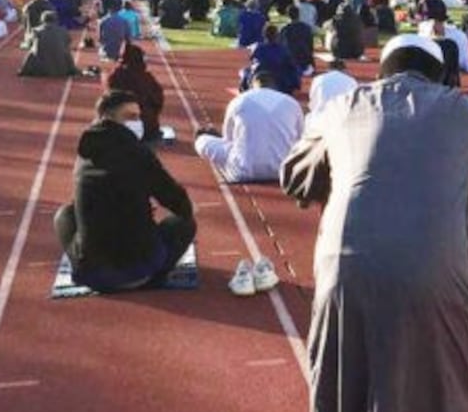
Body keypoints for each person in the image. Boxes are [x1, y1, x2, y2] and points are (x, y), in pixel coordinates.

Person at [280, 34, 468, 412]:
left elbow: (294, 175)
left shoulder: (340, 108)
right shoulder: (464, 111)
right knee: (444, 394)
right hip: (434, 273)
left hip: (345, 270)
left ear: (382, 72)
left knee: (344, 389)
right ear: (441, 76)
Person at [54, 90, 195, 293]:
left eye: (138, 117)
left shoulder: (85, 152)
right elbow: (179, 202)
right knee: (184, 222)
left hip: (92, 275)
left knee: (64, 214)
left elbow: (83, 205)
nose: (138, 122)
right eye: (131, 117)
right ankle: (154, 273)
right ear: (108, 117)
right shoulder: (139, 153)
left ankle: (98, 265)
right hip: (139, 273)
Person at [196, 70, 303, 183]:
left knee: (202, 140)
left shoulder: (238, 101)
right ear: (275, 86)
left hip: (244, 171)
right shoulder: (291, 103)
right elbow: (301, 138)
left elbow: (229, 139)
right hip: (284, 171)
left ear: (251, 85)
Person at [105, 43, 166, 143]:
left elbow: (108, 103)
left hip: (121, 129)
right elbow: (159, 100)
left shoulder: (114, 77)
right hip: (148, 130)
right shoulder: (147, 78)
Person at [241, 25, 300, 94]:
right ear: (277, 36)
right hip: (280, 84)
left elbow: (252, 59)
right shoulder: (283, 49)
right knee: (293, 69)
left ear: (264, 35)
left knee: (246, 70)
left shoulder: (258, 48)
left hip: (259, 81)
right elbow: (292, 66)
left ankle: (245, 88)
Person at [18, 12, 80, 78]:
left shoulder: (36, 31)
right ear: (56, 20)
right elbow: (68, 42)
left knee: (32, 51)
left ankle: (23, 70)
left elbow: (28, 45)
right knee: (66, 51)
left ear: (42, 20)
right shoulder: (63, 31)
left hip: (39, 70)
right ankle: (73, 70)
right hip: (61, 70)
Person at [279, 5, 315, 77]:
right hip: (304, 62)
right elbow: (310, 46)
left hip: (290, 62)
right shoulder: (306, 28)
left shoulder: (284, 29)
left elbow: (280, 47)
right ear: (298, 14)